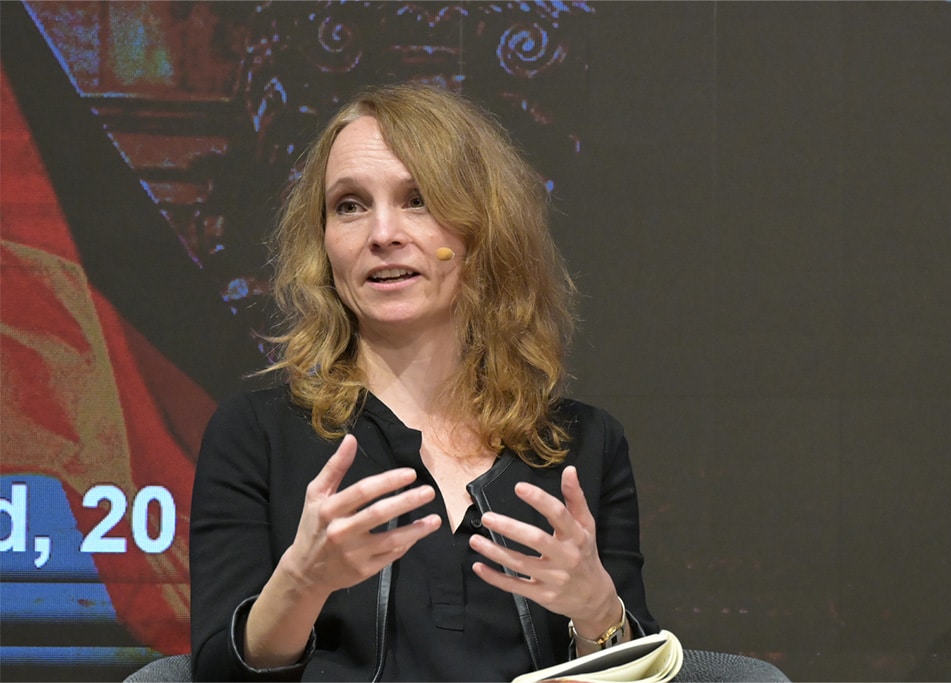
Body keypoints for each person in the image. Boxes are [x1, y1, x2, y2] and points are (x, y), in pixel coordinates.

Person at [189, 82, 658, 682]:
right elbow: (215, 675)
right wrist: (301, 585)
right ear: (325, 243)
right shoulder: (256, 435)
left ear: (482, 229)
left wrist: (598, 613)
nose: (382, 233)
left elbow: (644, 669)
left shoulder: (585, 443)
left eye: (418, 200)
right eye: (349, 206)